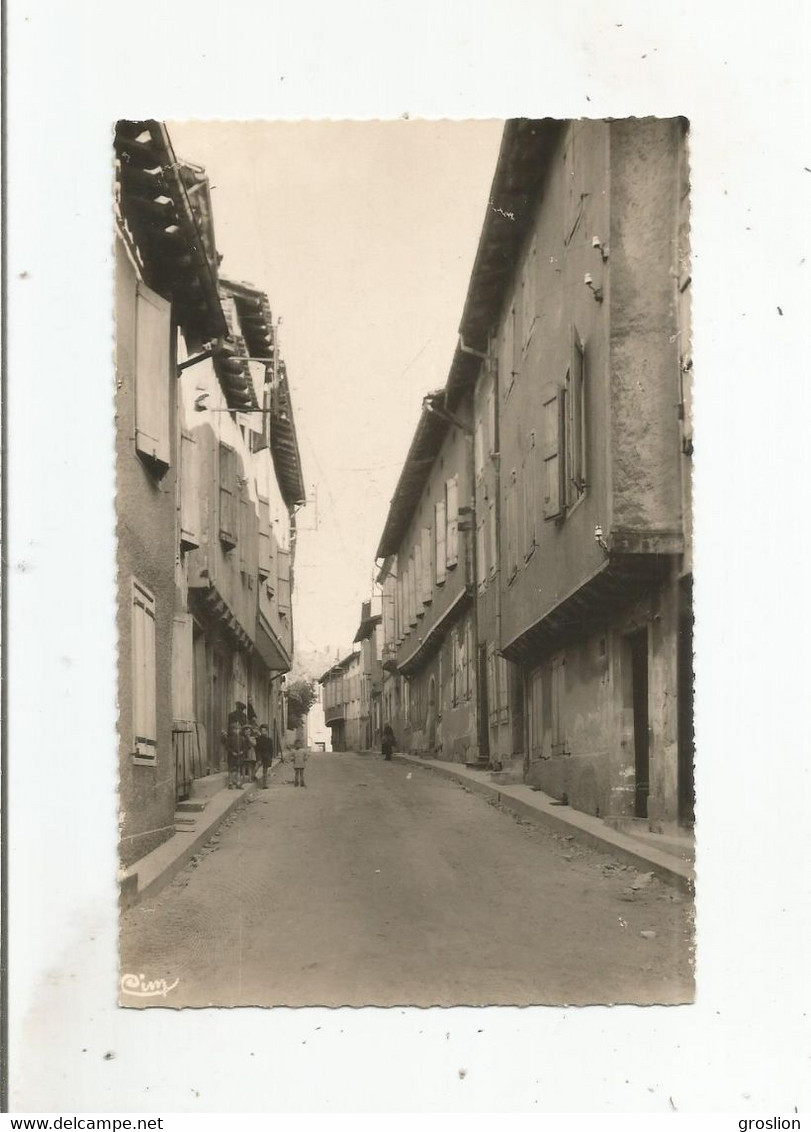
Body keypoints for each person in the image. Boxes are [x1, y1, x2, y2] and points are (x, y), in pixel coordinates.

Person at [224, 721, 243, 789]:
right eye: (235, 729)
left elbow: (244, 747)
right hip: (231, 756)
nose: (236, 731)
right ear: (232, 730)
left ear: (240, 730)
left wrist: (242, 751)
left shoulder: (241, 738)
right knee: (231, 769)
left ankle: (238, 783)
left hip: (239, 756)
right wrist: (232, 752)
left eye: (238, 729)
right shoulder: (229, 739)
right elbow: (227, 747)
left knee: (238, 769)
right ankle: (230, 783)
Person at [255, 724, 274, 789]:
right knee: (257, 765)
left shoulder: (269, 740)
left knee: (265, 770)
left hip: (266, 755)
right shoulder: (258, 739)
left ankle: (264, 784)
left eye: (265, 731)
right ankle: (252, 776)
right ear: (260, 731)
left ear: (267, 731)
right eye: (262, 731)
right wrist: (258, 756)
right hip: (260, 754)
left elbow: (271, 749)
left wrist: (270, 757)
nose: (263, 732)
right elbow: (256, 748)